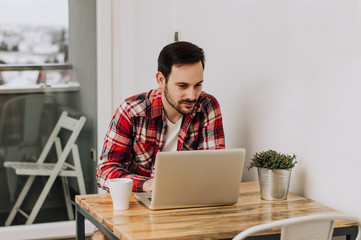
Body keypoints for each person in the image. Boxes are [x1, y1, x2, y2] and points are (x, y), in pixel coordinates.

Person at [93, 41, 225, 240]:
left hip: (186, 206)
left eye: (198, 85)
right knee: (100, 238)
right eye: (183, 86)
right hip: (135, 203)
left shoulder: (208, 106)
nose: (192, 95)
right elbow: (105, 171)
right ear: (161, 79)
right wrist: (147, 184)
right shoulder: (132, 111)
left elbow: (214, 167)